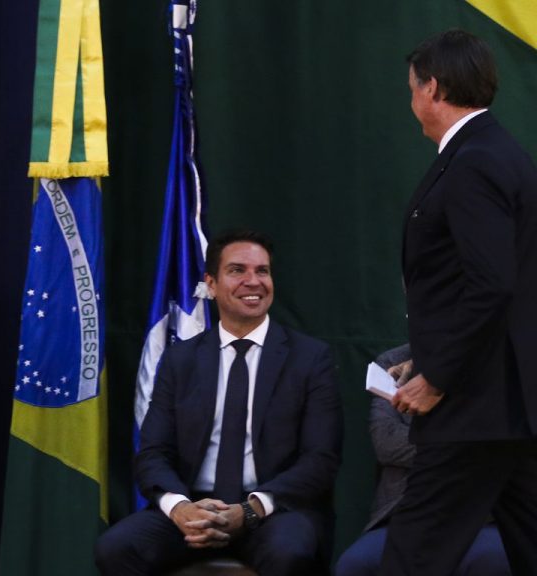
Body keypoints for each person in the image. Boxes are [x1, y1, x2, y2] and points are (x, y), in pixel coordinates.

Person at [379, 29, 537, 576]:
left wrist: (438, 376)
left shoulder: (475, 162)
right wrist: (426, 357)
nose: (411, 101)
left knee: (411, 557)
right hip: (507, 407)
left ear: (434, 88)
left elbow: (491, 284)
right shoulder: (495, 151)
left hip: (474, 409)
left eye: (412, 88)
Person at [95, 230, 343, 575]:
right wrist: (181, 508)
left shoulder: (310, 358)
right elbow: (153, 453)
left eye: (262, 271)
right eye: (237, 270)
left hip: (274, 510)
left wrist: (251, 509)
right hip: (194, 507)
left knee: (290, 553)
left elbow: (321, 459)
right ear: (210, 284)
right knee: (116, 548)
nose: (253, 281)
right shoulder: (180, 360)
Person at [335, 344, 510, 576]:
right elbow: (387, 443)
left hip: (483, 515)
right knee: (355, 564)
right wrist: (464, 448)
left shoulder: (498, 364)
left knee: (495, 560)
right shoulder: (394, 362)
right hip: (404, 510)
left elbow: (499, 444)